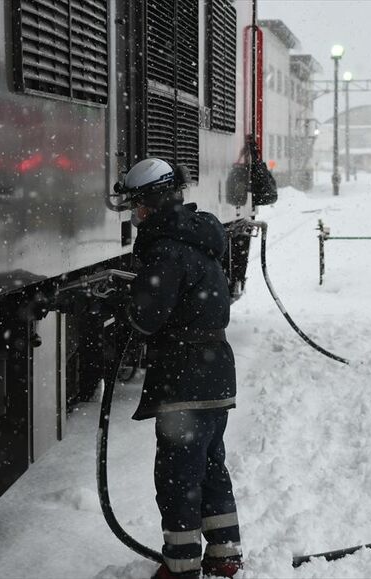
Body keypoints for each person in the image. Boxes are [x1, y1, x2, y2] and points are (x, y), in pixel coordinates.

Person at [114, 158, 243, 579]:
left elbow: (145, 318)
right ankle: (224, 555)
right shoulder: (198, 239)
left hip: (185, 375)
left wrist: (119, 307)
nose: (135, 214)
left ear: (150, 204)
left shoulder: (166, 249)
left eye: (137, 205)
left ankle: (181, 565)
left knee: (177, 475)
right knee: (210, 467)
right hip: (215, 370)